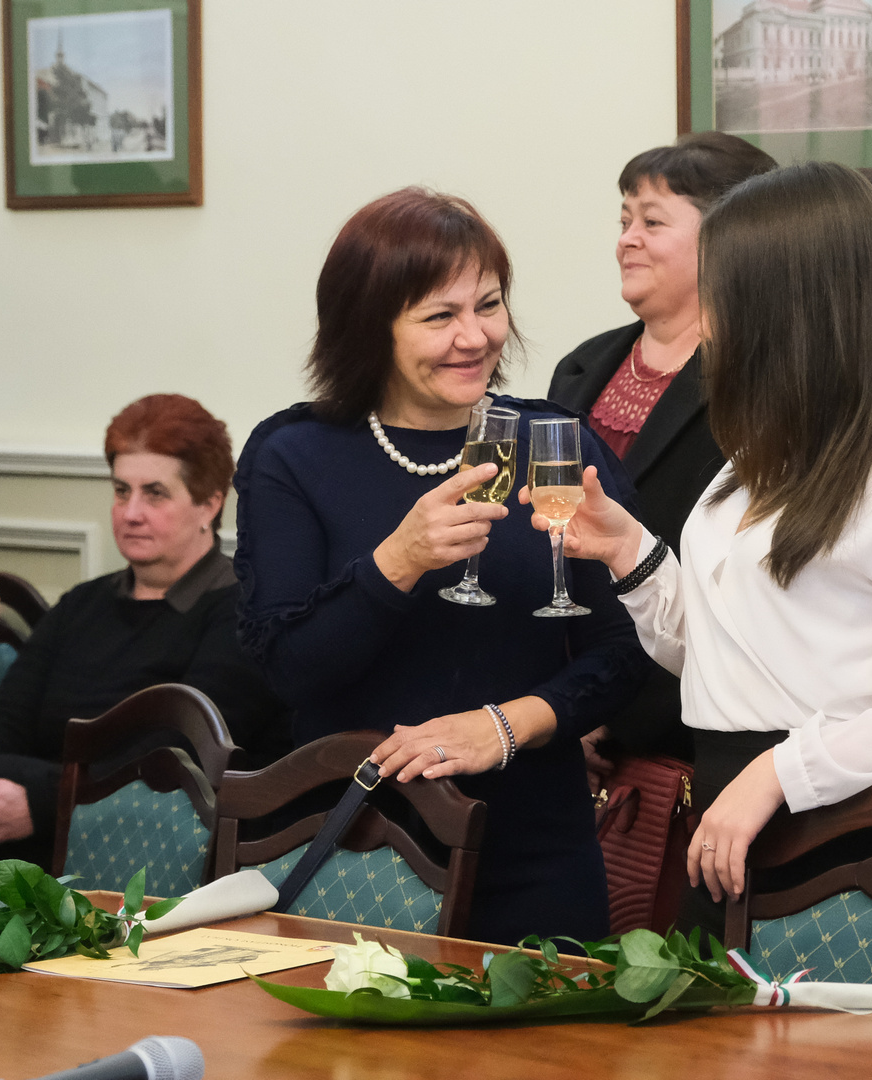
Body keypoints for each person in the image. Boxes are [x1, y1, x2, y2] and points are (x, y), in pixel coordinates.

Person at [390, 161, 872, 936]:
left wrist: (782, 772)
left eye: (723, 292)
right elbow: (726, 652)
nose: (710, 321)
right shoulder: (763, 450)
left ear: (796, 304)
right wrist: (630, 553)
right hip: (730, 812)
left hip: (850, 832)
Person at [236, 188, 652, 947]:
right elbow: (287, 669)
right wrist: (398, 561)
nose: (475, 336)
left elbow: (629, 649)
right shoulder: (293, 455)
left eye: (488, 306)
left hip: (535, 851)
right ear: (369, 328)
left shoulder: (554, 443)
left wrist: (506, 726)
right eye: (438, 317)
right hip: (355, 849)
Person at [0, 393, 291, 872]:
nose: (131, 512)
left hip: (154, 857)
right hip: (16, 835)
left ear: (209, 503)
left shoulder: (244, 611)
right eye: (121, 491)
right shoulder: (82, 603)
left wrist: (45, 802)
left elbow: (176, 760)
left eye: (155, 493)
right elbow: (7, 718)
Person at [549, 132, 776, 773]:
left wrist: (608, 712)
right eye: (624, 220)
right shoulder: (581, 367)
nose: (627, 240)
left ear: (727, 239)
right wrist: (558, 705)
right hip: (561, 704)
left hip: (686, 722)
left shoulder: (757, 382)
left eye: (651, 222)